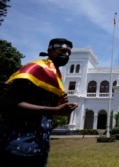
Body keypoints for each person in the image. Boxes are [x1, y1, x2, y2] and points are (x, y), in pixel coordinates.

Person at [0, 38, 78, 167]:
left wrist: (57, 106)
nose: (66, 55)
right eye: (62, 51)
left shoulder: (55, 75)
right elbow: (6, 103)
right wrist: (55, 110)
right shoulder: (35, 68)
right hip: (16, 145)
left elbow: (41, 108)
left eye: (69, 53)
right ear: (50, 51)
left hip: (39, 147)